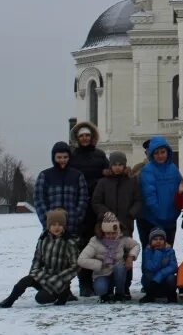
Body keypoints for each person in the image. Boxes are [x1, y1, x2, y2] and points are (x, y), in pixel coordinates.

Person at [0, 208, 78, 307]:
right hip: (45, 275)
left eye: (60, 225)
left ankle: (64, 294)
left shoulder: (69, 242)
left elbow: (75, 266)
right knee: (25, 280)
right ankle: (10, 300)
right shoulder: (43, 239)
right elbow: (37, 258)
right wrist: (34, 272)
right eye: (53, 225)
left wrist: (60, 278)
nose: (57, 227)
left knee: (40, 298)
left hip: (59, 280)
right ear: (48, 226)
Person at [70, 121, 109, 296]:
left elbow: (106, 175)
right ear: (77, 138)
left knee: (99, 244)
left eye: (87, 135)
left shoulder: (100, 156)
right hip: (80, 206)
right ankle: (84, 283)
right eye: (81, 136)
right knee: (82, 246)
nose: (85, 138)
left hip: (97, 205)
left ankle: (98, 280)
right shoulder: (72, 156)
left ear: (92, 137)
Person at [77, 211, 140, 302]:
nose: (111, 236)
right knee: (100, 288)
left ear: (117, 230)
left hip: (118, 271)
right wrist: (99, 264)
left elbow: (136, 245)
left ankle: (120, 293)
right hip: (102, 273)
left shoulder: (122, 239)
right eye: (108, 233)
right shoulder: (95, 241)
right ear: (103, 232)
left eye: (113, 233)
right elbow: (81, 260)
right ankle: (106, 294)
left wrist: (131, 257)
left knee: (119, 267)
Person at [34, 142, 88, 239]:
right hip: (51, 229)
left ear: (69, 157)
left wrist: (76, 218)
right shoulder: (45, 175)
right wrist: (47, 221)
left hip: (72, 228)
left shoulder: (77, 175)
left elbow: (83, 199)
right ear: (54, 157)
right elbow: (39, 200)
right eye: (59, 157)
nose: (62, 160)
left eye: (65, 157)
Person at [138, 136, 181, 246]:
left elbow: (180, 191)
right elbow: (149, 195)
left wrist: (176, 211)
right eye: (156, 153)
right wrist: (161, 215)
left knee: (168, 253)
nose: (160, 155)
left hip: (170, 220)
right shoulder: (148, 170)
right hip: (152, 220)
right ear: (151, 154)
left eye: (163, 152)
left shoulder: (173, 168)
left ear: (168, 152)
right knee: (152, 254)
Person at [92, 151, 142, 239]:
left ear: (124, 165)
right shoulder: (103, 182)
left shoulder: (132, 181)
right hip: (107, 225)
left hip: (126, 224)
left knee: (125, 249)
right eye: (114, 164)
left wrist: (131, 213)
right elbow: (96, 202)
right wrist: (107, 213)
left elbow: (138, 200)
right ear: (110, 165)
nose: (117, 167)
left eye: (120, 164)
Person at [139, 227, 178, 303]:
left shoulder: (170, 251)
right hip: (152, 281)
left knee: (171, 277)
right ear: (151, 241)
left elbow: (173, 267)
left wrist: (160, 275)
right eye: (155, 239)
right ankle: (150, 295)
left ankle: (171, 294)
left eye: (161, 239)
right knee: (147, 275)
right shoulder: (147, 251)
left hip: (164, 281)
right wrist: (158, 252)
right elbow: (151, 267)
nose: (158, 241)